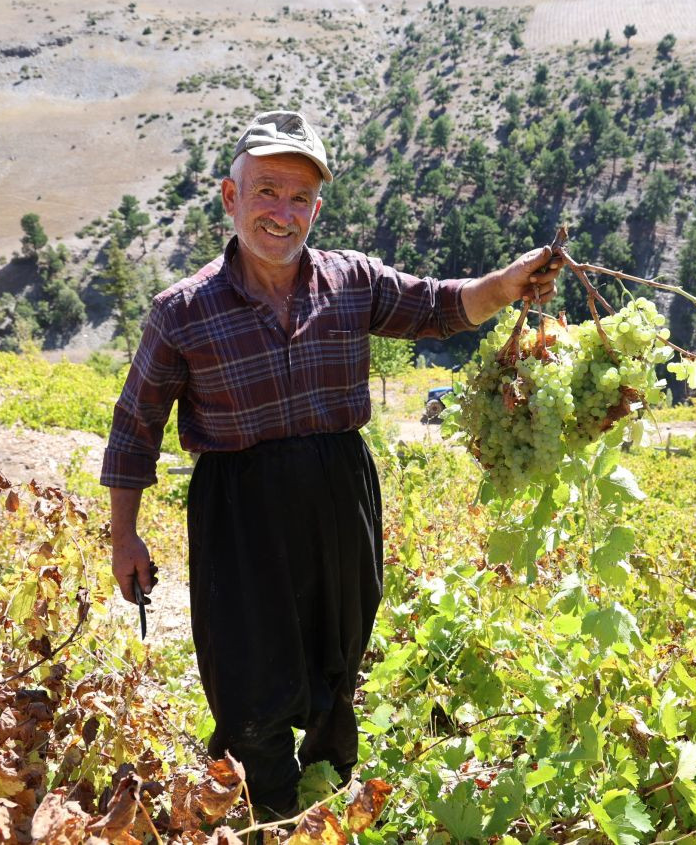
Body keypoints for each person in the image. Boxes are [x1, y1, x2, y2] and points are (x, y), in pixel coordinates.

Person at [100, 110, 560, 820]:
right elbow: (136, 426)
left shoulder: (351, 281)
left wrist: (507, 282)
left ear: (318, 206)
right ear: (231, 197)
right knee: (249, 673)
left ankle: (325, 800)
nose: (282, 214)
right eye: (267, 191)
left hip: (338, 496)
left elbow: (439, 306)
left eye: (301, 198)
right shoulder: (182, 311)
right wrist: (124, 534)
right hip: (239, 511)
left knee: (337, 659)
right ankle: (265, 812)